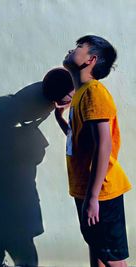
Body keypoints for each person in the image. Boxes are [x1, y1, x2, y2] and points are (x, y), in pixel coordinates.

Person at [55, 35, 132, 267]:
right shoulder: (80, 95)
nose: (72, 49)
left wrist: (93, 197)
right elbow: (80, 141)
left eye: (79, 47)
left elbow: (103, 144)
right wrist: (60, 118)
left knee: (112, 259)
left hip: (102, 191)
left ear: (91, 60)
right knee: (97, 250)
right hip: (89, 189)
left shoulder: (94, 92)